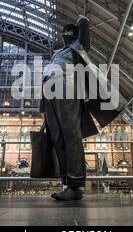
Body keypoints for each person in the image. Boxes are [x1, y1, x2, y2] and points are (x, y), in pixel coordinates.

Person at [40, 15, 126, 201]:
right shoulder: (57, 52)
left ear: (75, 35)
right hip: (49, 92)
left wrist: (81, 18)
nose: (66, 35)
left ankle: (75, 184)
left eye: (70, 32)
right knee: (57, 136)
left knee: (70, 133)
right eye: (65, 33)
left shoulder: (77, 47)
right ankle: (68, 184)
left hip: (66, 85)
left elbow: (84, 29)